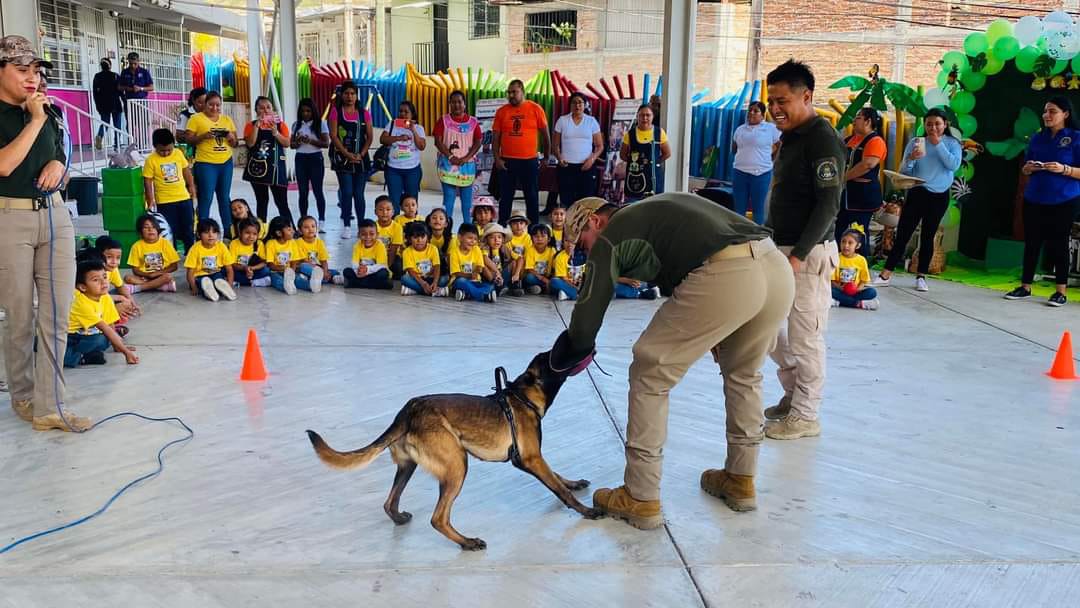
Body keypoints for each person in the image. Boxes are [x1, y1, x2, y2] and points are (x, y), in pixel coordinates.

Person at [548, 194, 793, 528]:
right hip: (774, 267)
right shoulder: (652, 213)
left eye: (584, 242)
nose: (588, 251)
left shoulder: (612, 231)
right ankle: (740, 478)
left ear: (593, 221)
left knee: (649, 372)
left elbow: (590, 308)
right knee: (744, 374)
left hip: (731, 273)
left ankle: (640, 495)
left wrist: (571, 350)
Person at [0, 35, 91, 431]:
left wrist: (59, 166)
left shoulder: (48, 111)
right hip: (10, 218)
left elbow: (59, 157)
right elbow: (4, 165)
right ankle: (22, 394)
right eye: (22, 70)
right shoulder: (30, 115)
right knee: (19, 314)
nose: (32, 78)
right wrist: (35, 120)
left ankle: (50, 405)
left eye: (36, 70)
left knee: (56, 312)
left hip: (54, 216)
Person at [763, 59, 845, 440]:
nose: (775, 108)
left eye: (782, 100)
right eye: (770, 101)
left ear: (806, 96)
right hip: (779, 248)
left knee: (805, 336)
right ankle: (794, 394)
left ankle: (806, 414)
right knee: (764, 329)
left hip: (807, 254)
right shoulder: (792, 137)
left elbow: (828, 204)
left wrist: (797, 255)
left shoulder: (822, 138)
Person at [872, 108, 962, 293]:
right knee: (903, 233)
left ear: (945, 124)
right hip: (917, 191)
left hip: (939, 195)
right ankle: (885, 274)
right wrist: (911, 159)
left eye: (937, 123)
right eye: (929, 124)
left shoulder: (952, 143)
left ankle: (921, 276)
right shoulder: (916, 142)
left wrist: (938, 144)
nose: (933, 128)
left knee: (928, 236)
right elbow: (904, 171)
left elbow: (953, 165)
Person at [1004, 96, 1080, 307]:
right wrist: (1028, 168)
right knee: (1032, 242)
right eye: (1045, 111)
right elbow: (1027, 165)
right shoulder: (1038, 138)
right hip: (1034, 197)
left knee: (1059, 244)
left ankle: (1060, 292)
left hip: (1064, 199)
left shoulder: (1075, 138)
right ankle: (1025, 286)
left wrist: (1064, 169)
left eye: (1052, 111)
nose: (1047, 115)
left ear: (1065, 114)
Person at [493, 79, 550, 225]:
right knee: (506, 197)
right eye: (509, 92)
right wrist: (497, 159)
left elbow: (545, 135)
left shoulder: (535, 109)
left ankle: (534, 229)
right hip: (507, 161)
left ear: (522, 92)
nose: (511, 95)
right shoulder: (502, 112)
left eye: (514, 92)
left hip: (529, 161)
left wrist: (546, 157)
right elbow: (496, 138)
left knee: (531, 196)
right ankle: (502, 229)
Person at [66, 259, 139, 368]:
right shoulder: (80, 303)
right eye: (96, 280)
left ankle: (88, 352)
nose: (104, 282)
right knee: (58, 355)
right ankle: (82, 358)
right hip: (69, 336)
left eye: (105, 277)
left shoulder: (105, 296)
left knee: (102, 340)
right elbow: (105, 328)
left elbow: (109, 323)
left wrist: (118, 347)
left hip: (87, 334)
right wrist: (126, 352)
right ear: (82, 287)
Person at [185, 91, 238, 236]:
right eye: (211, 105)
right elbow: (188, 139)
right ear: (205, 104)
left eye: (218, 105)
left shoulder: (226, 119)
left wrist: (230, 136)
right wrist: (203, 136)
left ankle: (228, 232)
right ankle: (202, 231)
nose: (214, 108)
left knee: (224, 197)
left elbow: (235, 143)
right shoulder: (196, 119)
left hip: (225, 163)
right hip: (206, 163)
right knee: (206, 197)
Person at [838, 107, 886, 254]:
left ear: (868, 121)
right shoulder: (849, 139)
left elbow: (867, 164)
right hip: (845, 196)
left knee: (858, 232)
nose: (854, 120)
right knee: (838, 230)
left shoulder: (875, 141)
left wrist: (842, 178)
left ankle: (861, 265)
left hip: (862, 197)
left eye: (858, 117)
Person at [329, 80, 373, 237]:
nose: (349, 96)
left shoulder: (364, 113)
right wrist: (347, 154)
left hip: (361, 158)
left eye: (353, 93)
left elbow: (370, 136)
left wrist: (361, 154)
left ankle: (362, 226)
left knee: (359, 193)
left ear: (356, 95)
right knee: (347, 192)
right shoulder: (336, 111)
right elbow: (333, 136)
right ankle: (346, 224)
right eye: (346, 93)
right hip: (343, 159)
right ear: (342, 95)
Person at [142, 128, 196, 252]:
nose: (166, 153)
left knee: (188, 227)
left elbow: (186, 171)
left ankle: (191, 253)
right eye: (162, 151)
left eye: (169, 150)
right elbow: (148, 181)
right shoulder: (151, 160)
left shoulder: (178, 153)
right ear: (155, 147)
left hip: (183, 198)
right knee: (170, 229)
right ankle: (171, 254)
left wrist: (192, 186)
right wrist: (150, 200)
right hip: (165, 202)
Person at [244, 96, 292, 226]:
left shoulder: (281, 125)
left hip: (277, 169)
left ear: (273, 109)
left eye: (268, 107)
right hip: (258, 169)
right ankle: (261, 229)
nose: (265, 110)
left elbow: (287, 143)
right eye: (261, 107)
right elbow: (250, 144)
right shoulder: (250, 125)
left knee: (282, 202)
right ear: (256, 110)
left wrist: (276, 132)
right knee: (262, 200)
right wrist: (256, 127)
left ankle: (290, 229)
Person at [435, 90, 482, 223]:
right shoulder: (443, 121)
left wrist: (466, 158)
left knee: (467, 203)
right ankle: (446, 230)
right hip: (447, 166)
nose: (457, 105)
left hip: (467, 167)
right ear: (450, 104)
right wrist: (450, 156)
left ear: (464, 104)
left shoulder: (473, 122)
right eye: (454, 102)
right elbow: (437, 141)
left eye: (459, 102)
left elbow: (478, 142)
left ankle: (468, 230)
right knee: (448, 201)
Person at [731, 101, 780, 225]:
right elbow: (734, 148)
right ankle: (740, 236)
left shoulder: (770, 128)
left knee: (759, 210)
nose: (751, 113)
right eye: (750, 110)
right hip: (740, 173)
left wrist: (772, 157)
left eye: (756, 111)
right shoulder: (740, 129)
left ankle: (759, 239)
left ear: (763, 115)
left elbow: (779, 144)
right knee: (739, 210)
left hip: (761, 174)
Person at [553, 92, 603, 208]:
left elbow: (599, 146)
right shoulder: (562, 120)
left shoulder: (591, 121)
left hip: (586, 167)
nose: (577, 105)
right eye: (574, 103)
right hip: (566, 168)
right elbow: (555, 145)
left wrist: (592, 159)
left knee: (586, 203)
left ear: (585, 105)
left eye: (580, 103)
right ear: (570, 105)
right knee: (567, 202)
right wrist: (559, 158)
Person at [381, 100, 426, 214]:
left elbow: (421, 146)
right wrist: (398, 138)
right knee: (394, 201)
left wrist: (413, 130)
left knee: (411, 201)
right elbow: (383, 139)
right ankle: (395, 226)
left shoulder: (419, 128)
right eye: (401, 111)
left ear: (412, 114)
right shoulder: (391, 124)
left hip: (412, 170)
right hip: (393, 169)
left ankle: (412, 228)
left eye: (406, 112)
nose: (403, 114)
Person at [620, 104, 671, 203]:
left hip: (654, 180)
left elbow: (667, 153)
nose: (645, 118)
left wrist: (655, 161)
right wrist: (635, 162)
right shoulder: (630, 134)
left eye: (648, 115)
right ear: (637, 116)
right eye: (642, 115)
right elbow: (622, 155)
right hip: (634, 179)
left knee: (653, 209)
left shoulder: (659, 132)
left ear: (653, 116)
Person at [292, 98, 329, 228]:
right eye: (303, 111)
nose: (306, 114)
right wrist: (298, 141)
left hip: (315, 158)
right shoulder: (296, 125)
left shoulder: (321, 124)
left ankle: (322, 220)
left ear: (313, 111)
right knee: (303, 191)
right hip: (300, 158)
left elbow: (326, 143)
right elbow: (292, 145)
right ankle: (303, 219)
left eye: (308, 111)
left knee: (318, 190)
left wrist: (311, 141)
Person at [184, 218, 237, 302]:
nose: (210, 235)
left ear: (218, 234)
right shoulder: (195, 249)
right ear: (198, 235)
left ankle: (222, 288)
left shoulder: (221, 246)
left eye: (214, 232)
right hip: (199, 276)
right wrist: (193, 287)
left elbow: (229, 268)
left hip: (216, 273)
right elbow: (190, 271)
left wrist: (229, 285)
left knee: (218, 280)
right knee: (203, 282)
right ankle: (208, 290)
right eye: (206, 232)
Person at [265, 216, 321, 294]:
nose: (293, 231)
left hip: (289, 272)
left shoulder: (293, 242)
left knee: (297, 279)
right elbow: (270, 263)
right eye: (289, 229)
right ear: (279, 233)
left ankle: (312, 285)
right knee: (276, 280)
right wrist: (280, 268)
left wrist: (292, 272)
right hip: (275, 271)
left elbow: (294, 260)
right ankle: (286, 287)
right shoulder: (270, 244)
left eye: (292, 228)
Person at [125, 213, 180, 293]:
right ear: (140, 232)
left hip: (161, 275)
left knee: (167, 277)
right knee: (127, 278)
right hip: (144, 276)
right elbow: (135, 269)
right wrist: (147, 275)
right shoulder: (136, 246)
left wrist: (157, 273)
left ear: (158, 230)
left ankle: (137, 288)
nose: (150, 230)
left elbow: (174, 266)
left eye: (153, 227)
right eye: (146, 227)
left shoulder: (165, 243)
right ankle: (160, 286)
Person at [831, 224, 879, 310]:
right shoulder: (836, 257)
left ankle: (840, 302)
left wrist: (857, 290)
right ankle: (858, 304)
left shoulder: (861, 260)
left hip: (855, 292)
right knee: (830, 290)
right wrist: (840, 288)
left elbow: (864, 281)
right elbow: (832, 280)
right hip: (840, 290)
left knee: (872, 292)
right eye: (843, 241)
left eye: (850, 243)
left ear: (858, 245)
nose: (846, 245)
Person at [448, 223, 497, 303]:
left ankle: (467, 294)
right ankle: (483, 296)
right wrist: (470, 275)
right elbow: (456, 273)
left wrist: (476, 271)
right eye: (470, 238)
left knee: (490, 286)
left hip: (475, 282)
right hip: (459, 281)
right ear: (460, 237)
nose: (472, 241)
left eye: (475, 239)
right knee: (461, 282)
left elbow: (480, 267)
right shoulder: (454, 252)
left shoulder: (476, 249)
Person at [400, 221, 449, 297]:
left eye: (423, 237)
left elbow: (437, 267)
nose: (419, 240)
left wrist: (435, 282)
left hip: (432, 278)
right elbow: (411, 271)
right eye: (415, 237)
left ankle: (414, 291)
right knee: (404, 278)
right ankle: (436, 292)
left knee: (444, 279)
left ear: (428, 237)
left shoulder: (433, 249)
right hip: (417, 279)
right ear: (409, 239)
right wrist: (423, 283)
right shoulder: (407, 252)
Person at [344, 219, 393, 289]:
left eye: (372, 234)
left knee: (383, 273)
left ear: (377, 235)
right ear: (358, 235)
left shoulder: (380, 245)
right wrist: (359, 272)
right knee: (347, 271)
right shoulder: (357, 245)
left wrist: (367, 270)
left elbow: (381, 265)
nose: (368, 237)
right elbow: (354, 263)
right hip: (361, 274)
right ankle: (375, 285)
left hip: (374, 273)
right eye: (363, 234)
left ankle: (356, 284)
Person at [295, 215, 341, 286]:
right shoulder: (298, 242)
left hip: (317, 268)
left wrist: (325, 271)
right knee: (304, 267)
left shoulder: (319, 242)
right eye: (306, 227)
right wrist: (321, 270)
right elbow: (303, 261)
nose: (310, 229)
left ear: (316, 228)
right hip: (304, 267)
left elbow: (324, 261)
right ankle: (327, 279)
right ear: (300, 231)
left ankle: (317, 278)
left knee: (335, 272)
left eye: (313, 226)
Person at [229, 218, 272, 287]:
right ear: (240, 233)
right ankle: (254, 282)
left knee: (266, 270)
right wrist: (245, 268)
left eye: (254, 234)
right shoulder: (234, 243)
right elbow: (232, 264)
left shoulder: (259, 244)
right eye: (247, 233)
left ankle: (241, 282)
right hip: (239, 270)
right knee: (225, 271)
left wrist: (252, 268)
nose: (251, 236)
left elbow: (264, 262)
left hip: (253, 271)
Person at [92, 57, 123, 151]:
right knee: (117, 126)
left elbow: (95, 93)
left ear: (101, 66)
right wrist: (124, 101)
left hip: (103, 105)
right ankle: (117, 145)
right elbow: (120, 90)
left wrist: (97, 106)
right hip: (115, 104)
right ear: (110, 66)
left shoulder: (97, 76)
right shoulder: (115, 76)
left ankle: (100, 135)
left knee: (105, 123)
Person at [523, 223, 555, 295]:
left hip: (547, 276)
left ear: (549, 239)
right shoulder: (530, 250)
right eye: (536, 236)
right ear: (532, 239)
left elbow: (554, 268)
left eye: (543, 236)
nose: (539, 239)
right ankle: (543, 287)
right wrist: (544, 280)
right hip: (535, 277)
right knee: (529, 278)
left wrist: (549, 279)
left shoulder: (552, 250)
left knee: (555, 280)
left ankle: (538, 288)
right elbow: (530, 269)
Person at [481, 222, 513, 292]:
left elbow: (515, 258)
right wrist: (496, 271)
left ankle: (512, 284)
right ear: (487, 240)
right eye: (492, 237)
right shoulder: (486, 248)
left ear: (503, 239)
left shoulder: (504, 248)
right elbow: (485, 258)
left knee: (513, 263)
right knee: (483, 266)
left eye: (499, 237)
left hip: (501, 274)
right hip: (490, 275)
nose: (496, 240)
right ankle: (494, 285)